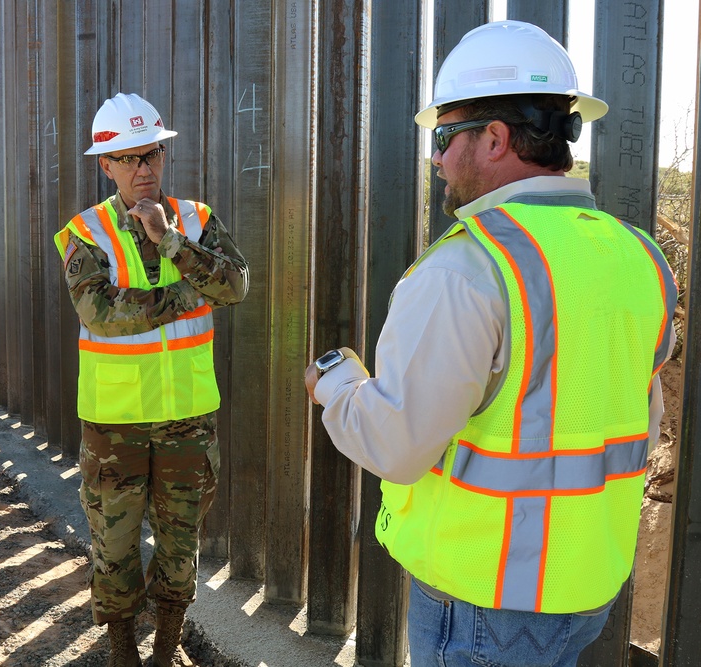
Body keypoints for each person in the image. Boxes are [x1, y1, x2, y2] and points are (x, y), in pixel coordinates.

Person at [305, 20, 677, 667]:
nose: (439, 160)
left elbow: (398, 443)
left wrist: (336, 386)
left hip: (488, 598)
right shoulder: (640, 258)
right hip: (587, 586)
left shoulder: (468, 269)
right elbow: (641, 414)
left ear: (496, 139)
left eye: (445, 138)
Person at [54, 92, 248, 667]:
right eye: (130, 158)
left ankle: (165, 650)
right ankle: (122, 654)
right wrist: (190, 292)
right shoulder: (84, 232)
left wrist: (169, 240)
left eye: (153, 155)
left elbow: (235, 285)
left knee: (180, 545)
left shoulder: (196, 220)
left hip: (188, 418)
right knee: (113, 549)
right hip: (115, 425)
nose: (145, 169)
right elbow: (103, 314)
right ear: (105, 165)